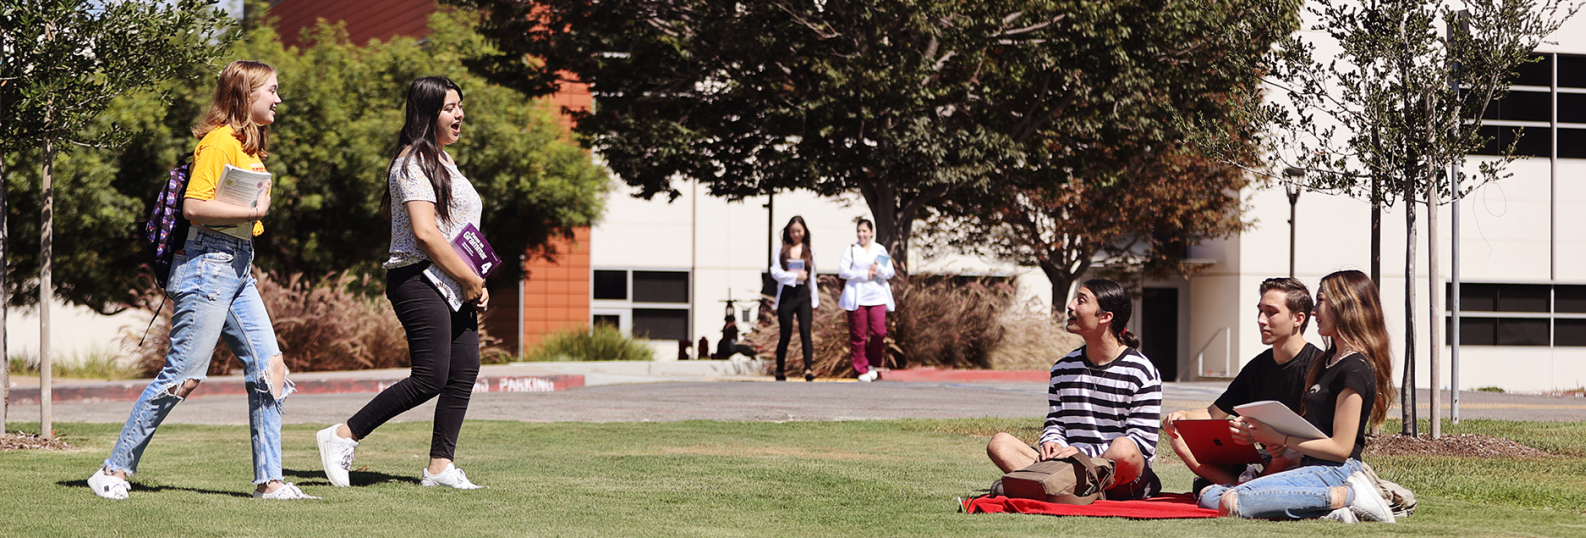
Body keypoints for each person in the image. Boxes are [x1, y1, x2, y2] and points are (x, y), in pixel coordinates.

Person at [87, 61, 314, 500]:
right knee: (183, 377)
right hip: (207, 265)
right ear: (246, 95)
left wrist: (252, 217)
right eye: (271, 90)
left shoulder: (249, 148)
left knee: (271, 370)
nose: (278, 99)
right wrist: (254, 211)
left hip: (237, 267)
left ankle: (271, 483)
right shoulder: (218, 143)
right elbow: (194, 206)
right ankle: (113, 471)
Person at [315, 76, 486, 490]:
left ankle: (440, 467)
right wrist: (468, 277)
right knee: (430, 375)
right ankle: (342, 436)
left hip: (454, 281)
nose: (459, 114)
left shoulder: (445, 162)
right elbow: (426, 234)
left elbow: (458, 231)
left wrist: (475, 279)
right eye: (449, 108)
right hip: (417, 278)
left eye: (460, 106)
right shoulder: (413, 163)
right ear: (427, 114)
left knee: (464, 369)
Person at [1198, 270, 1399, 523]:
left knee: (1228, 500)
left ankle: (1349, 496)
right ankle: (1329, 510)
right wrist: (1266, 435)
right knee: (1207, 494)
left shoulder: (1355, 368)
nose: (1315, 311)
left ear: (1345, 306)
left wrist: (1277, 437)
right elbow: (1309, 430)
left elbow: (1341, 449)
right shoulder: (1326, 363)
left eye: (1322, 301)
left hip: (1334, 470)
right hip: (1308, 466)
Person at [986, 279, 1163, 500]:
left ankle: (1048, 488)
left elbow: (1142, 443)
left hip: (1118, 475)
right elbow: (1056, 422)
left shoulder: (1141, 371)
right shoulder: (1063, 367)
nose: (1070, 306)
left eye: (1081, 301)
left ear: (1105, 317)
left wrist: (1084, 455)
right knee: (1000, 443)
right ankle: (1069, 491)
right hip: (1068, 465)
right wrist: (1052, 442)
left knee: (1123, 449)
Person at [1163, 277, 1321, 493]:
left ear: (1298, 319)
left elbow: (1319, 434)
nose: (1261, 320)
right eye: (1260, 311)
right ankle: (1235, 488)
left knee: (1287, 455)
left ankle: (1237, 490)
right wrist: (1183, 416)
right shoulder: (1258, 366)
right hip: (1266, 459)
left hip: (1300, 457)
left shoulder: (1318, 367)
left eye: (1271, 312)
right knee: (1179, 436)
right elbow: (1213, 413)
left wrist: (1261, 435)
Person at [837, 218, 894, 382]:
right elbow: (843, 271)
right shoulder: (851, 250)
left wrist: (879, 270)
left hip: (877, 296)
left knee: (879, 332)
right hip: (858, 297)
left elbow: (889, 272)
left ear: (871, 232)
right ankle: (860, 368)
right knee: (859, 335)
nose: (861, 234)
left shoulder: (879, 249)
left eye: (864, 231)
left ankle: (873, 364)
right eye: (859, 231)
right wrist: (864, 275)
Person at [769, 216, 820, 381]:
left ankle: (808, 368)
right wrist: (793, 277)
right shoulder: (782, 249)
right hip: (787, 296)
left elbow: (813, 276)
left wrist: (815, 299)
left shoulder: (810, 251)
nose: (796, 234)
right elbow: (775, 272)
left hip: (804, 296)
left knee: (805, 332)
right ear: (788, 233)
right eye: (793, 231)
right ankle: (780, 369)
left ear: (804, 231)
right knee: (786, 333)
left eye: (799, 231)